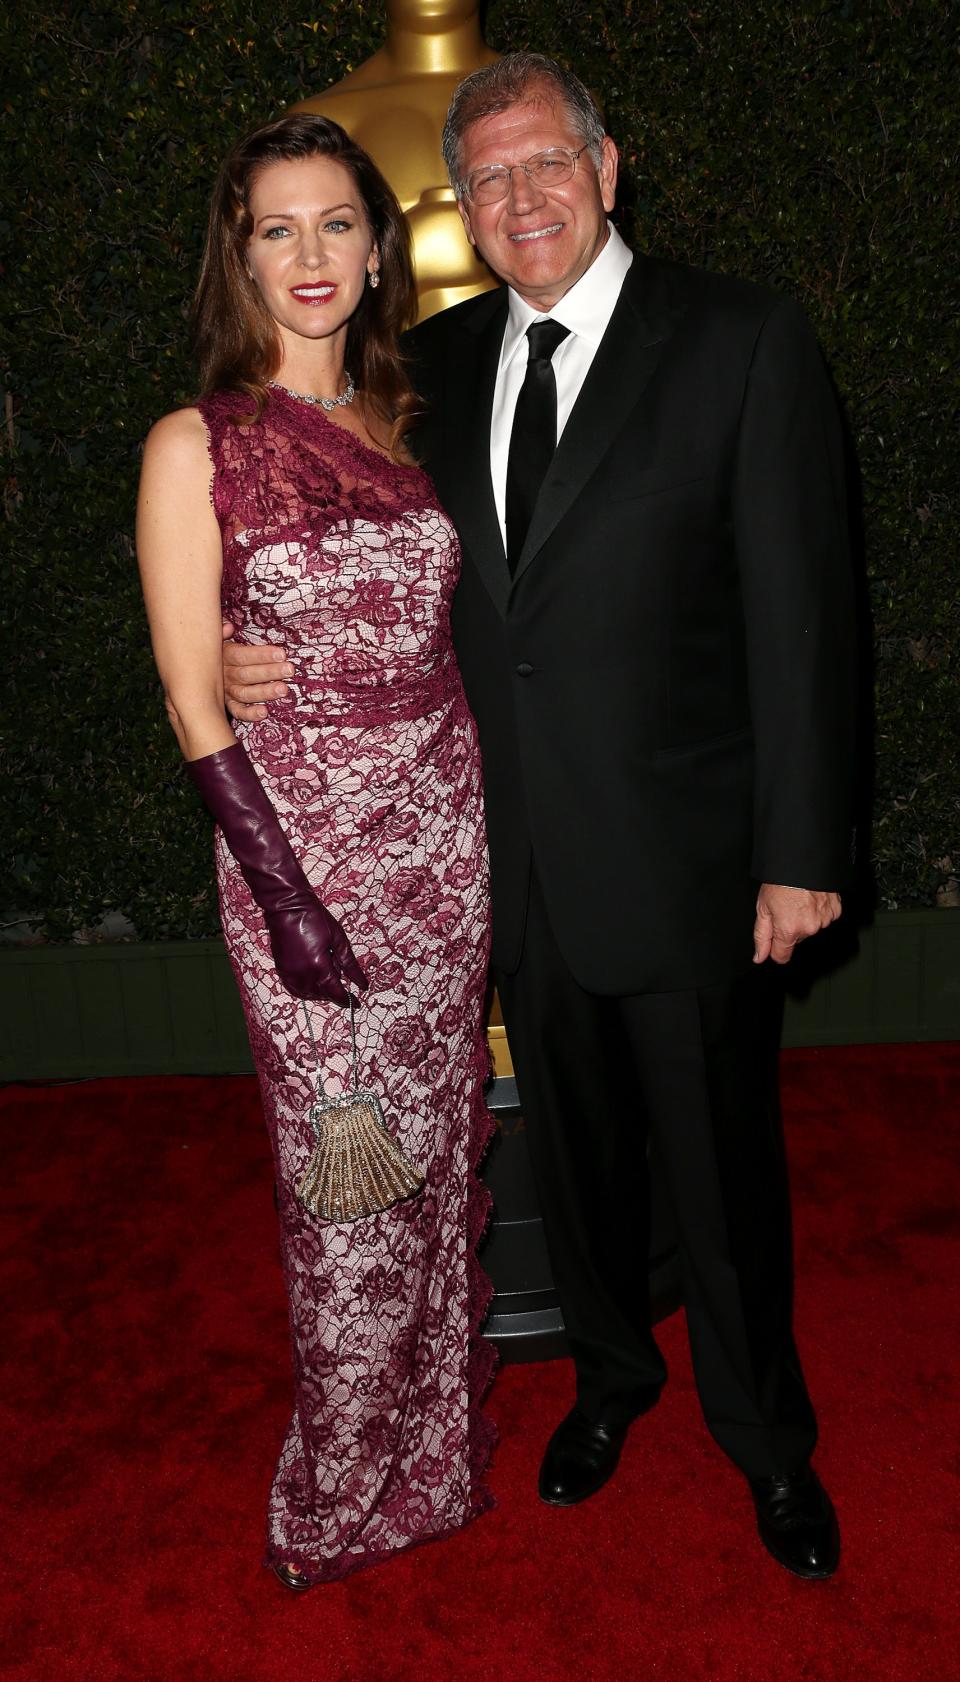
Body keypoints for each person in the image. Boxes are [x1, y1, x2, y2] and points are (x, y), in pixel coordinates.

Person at [223, 55, 856, 1580]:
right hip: (499, 868)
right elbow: (375, 572)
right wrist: (249, 649)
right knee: (572, 1166)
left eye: (545, 166)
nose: (521, 199)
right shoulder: (424, 371)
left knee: (718, 1169)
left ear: (607, 166)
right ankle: (610, 1381)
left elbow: (805, 615)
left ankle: (768, 1440)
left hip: (691, 864)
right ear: (462, 209)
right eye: (489, 178)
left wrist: (802, 853)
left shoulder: (740, 340)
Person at [136, 112, 496, 1590]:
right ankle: (343, 1483)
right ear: (240, 254)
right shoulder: (195, 441)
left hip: (447, 837)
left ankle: (436, 1452)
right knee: (348, 1178)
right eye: (275, 228)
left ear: (377, 242)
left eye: (336, 223)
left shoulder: (406, 419)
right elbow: (188, 693)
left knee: (441, 1156)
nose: (309, 255)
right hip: (309, 862)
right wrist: (284, 896)